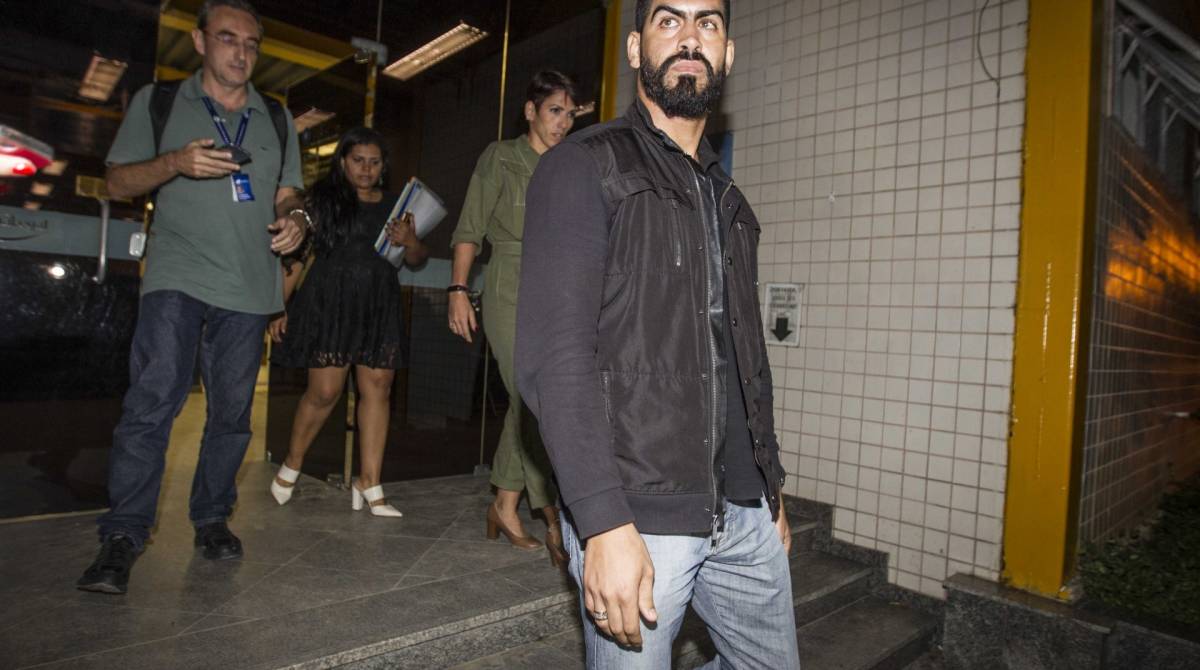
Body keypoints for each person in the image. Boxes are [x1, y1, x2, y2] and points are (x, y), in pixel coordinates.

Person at [516, 1, 801, 667]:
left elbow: (744, 359)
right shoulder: (583, 167)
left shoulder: (731, 204)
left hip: (743, 509)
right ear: (637, 48)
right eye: (669, 21)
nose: (690, 38)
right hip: (638, 515)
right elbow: (554, 359)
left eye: (708, 23)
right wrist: (603, 521)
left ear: (728, 53)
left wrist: (770, 486)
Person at [77, 0, 306, 595]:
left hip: (249, 285)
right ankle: (123, 535)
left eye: (252, 43)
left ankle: (210, 519)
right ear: (201, 42)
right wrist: (175, 162)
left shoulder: (274, 117)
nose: (242, 52)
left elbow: (288, 194)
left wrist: (297, 220)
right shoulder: (158, 103)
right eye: (229, 38)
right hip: (175, 276)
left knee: (231, 415)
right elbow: (118, 180)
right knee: (153, 403)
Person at [447, 71, 578, 567]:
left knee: (541, 399)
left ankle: (503, 503)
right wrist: (460, 289)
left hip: (559, 291)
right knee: (532, 398)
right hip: (507, 286)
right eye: (554, 111)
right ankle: (554, 522)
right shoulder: (500, 157)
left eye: (570, 113)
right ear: (530, 111)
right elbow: (469, 228)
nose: (562, 123)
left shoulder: (572, 165)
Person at [268, 126, 428, 516]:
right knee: (324, 392)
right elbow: (296, 258)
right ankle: (292, 462)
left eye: (374, 162)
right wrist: (276, 306)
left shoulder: (397, 206)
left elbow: (417, 258)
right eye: (359, 160)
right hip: (330, 304)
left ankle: (369, 481)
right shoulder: (322, 202)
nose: (366, 169)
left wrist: (409, 240)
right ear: (343, 162)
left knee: (379, 390)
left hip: (378, 306)